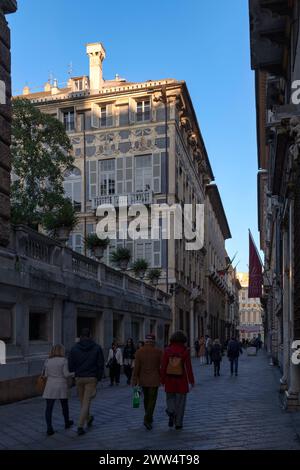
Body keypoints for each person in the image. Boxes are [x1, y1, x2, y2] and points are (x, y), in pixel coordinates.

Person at [69, 328, 104, 436]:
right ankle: (80, 426)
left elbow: (70, 365)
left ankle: (88, 418)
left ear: (80, 336)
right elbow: (100, 364)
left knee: (82, 402)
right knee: (86, 402)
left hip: (79, 377)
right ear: (90, 335)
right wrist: (98, 377)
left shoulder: (74, 348)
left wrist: (74, 373)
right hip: (91, 377)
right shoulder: (97, 347)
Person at [161, 331, 195, 430]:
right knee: (181, 403)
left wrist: (162, 380)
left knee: (170, 398)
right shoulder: (185, 351)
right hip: (182, 380)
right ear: (183, 340)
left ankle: (171, 411)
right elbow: (188, 367)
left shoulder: (167, 350)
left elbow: (163, 367)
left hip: (169, 379)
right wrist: (191, 381)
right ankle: (178, 423)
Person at [132, 334, 162, 430]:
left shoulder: (139, 352)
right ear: (153, 341)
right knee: (152, 400)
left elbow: (136, 368)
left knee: (146, 399)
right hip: (154, 379)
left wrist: (134, 379)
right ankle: (147, 418)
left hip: (143, 379)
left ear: (145, 341)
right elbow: (161, 367)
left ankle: (149, 417)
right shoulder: (158, 352)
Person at [42, 344, 74, 436]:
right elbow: (66, 374)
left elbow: (45, 375)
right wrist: (74, 373)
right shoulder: (64, 360)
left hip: (50, 386)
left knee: (49, 408)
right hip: (61, 385)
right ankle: (67, 422)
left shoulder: (47, 360)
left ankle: (49, 428)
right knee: (64, 406)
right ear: (61, 351)